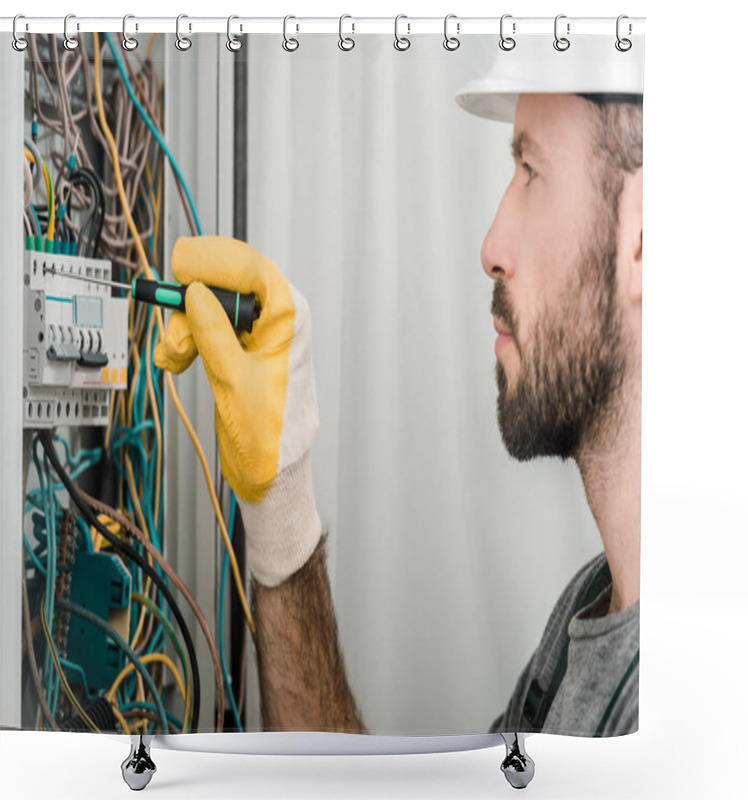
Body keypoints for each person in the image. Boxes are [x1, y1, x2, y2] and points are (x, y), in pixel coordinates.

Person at [153, 56, 643, 737]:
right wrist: (282, 505)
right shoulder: (591, 610)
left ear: (646, 241)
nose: (492, 247)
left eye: (532, 172)